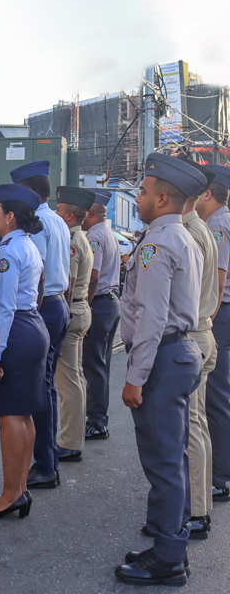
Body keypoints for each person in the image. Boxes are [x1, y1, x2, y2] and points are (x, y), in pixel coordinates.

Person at [115, 153, 204, 586]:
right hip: (178, 353)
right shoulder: (180, 236)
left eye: (145, 191)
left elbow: (151, 316)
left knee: (165, 464)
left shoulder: (157, 243)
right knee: (172, 460)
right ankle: (168, 545)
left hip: (163, 358)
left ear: (163, 198)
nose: (139, 197)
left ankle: (170, 559)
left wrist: (135, 376)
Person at [0, 184, 48, 520]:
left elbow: (5, 307)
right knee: (24, 413)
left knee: (10, 414)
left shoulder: (8, 251)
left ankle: (10, 493)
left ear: (10, 217)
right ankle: (20, 488)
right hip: (33, 327)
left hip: (16, 331)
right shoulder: (28, 244)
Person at [11, 160, 70, 489]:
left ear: (29, 191)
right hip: (58, 305)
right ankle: (47, 461)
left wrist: (27, 317)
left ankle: (45, 466)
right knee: (46, 386)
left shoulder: (38, 224)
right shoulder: (57, 221)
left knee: (39, 389)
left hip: (43, 307)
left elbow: (38, 270)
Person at [174, 160, 218, 539]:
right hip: (203, 332)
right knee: (197, 424)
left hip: (192, 336)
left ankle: (194, 511)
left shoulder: (189, 232)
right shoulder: (200, 229)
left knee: (188, 428)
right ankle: (197, 508)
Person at [54, 186, 96, 463]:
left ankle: (69, 442)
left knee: (68, 382)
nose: (55, 214)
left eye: (58, 211)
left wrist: (61, 318)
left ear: (69, 215)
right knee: (76, 378)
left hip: (71, 309)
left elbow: (67, 286)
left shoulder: (70, 241)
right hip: (81, 309)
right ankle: (74, 438)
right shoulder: (81, 237)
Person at [199, 163, 230, 503]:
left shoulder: (218, 225)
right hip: (224, 316)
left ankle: (220, 477)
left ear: (208, 194)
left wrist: (207, 319)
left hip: (220, 317)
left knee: (216, 397)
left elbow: (219, 282)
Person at [82, 189, 121, 441]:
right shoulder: (109, 233)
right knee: (101, 364)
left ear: (90, 213)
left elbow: (93, 278)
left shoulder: (94, 236)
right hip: (110, 303)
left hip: (98, 304)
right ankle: (99, 419)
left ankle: (96, 422)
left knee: (93, 366)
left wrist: (85, 305)